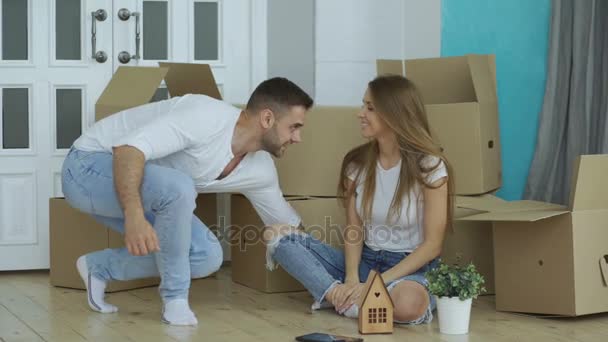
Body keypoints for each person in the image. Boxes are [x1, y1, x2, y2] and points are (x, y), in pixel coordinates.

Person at [61, 77, 313, 325]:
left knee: (206, 255)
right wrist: (134, 216)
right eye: (294, 127)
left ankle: (99, 267)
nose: (298, 138)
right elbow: (128, 150)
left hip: (144, 191)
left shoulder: (261, 170)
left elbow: (290, 228)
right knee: (180, 187)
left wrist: (341, 281)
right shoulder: (204, 116)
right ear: (267, 119)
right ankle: (175, 301)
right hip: (87, 169)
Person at [265, 75, 453, 325]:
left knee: (409, 304)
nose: (360, 113)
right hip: (365, 262)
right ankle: (340, 297)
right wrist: (353, 279)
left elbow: (432, 246)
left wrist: (376, 284)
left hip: (409, 271)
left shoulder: (430, 167)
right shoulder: (357, 164)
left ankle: (347, 301)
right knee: (276, 235)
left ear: (395, 114)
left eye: (370, 108)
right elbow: (354, 230)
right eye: (363, 105)